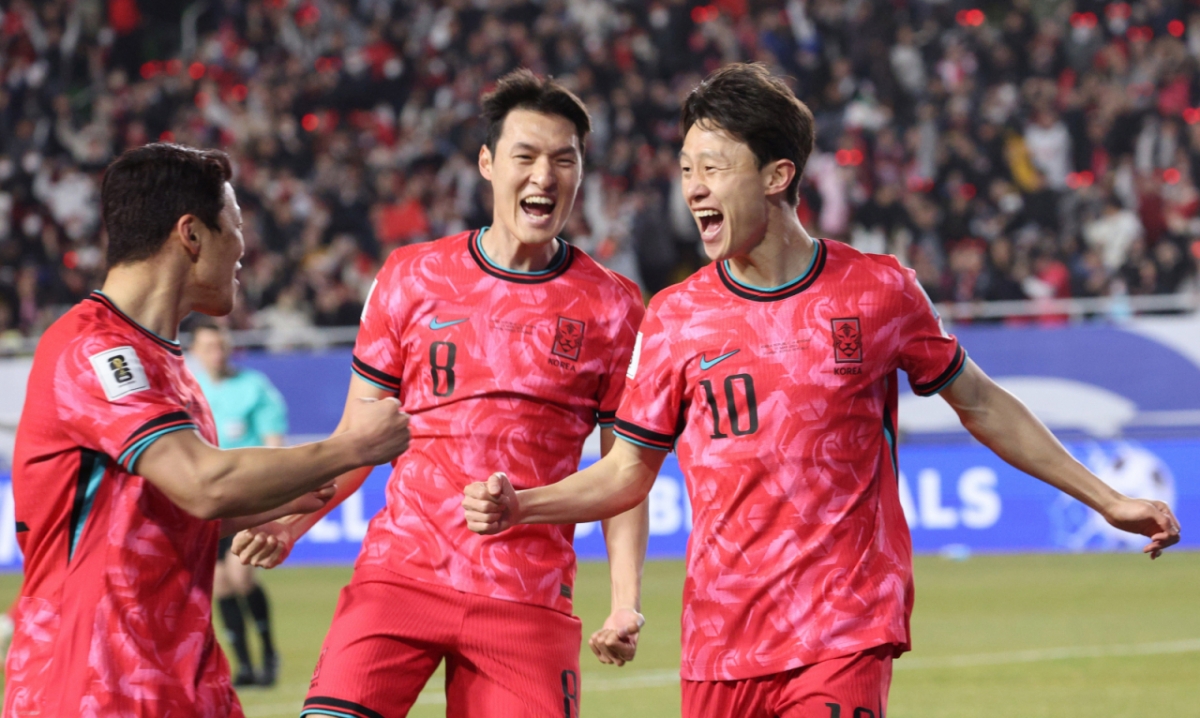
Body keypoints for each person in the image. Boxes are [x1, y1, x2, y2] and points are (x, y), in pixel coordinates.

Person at [461, 63, 1183, 718]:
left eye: (712, 167)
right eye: (687, 169)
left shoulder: (879, 290)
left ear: (776, 176)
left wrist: (1107, 498)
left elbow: (983, 402)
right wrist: (526, 505)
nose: (694, 189)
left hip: (845, 628)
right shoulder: (678, 316)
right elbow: (626, 473)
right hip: (720, 642)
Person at [232, 70, 648, 718]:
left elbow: (625, 476)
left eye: (564, 160)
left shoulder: (615, 308)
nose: (545, 176)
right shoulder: (411, 276)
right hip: (400, 576)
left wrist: (624, 601)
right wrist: (293, 524)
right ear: (487, 164)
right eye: (526, 156)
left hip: (525, 596)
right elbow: (357, 441)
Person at [5, 143, 411, 717]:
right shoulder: (93, 350)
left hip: (184, 684)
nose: (244, 248)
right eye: (235, 226)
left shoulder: (172, 369)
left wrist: (284, 494)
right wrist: (350, 447)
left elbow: (168, 513)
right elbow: (202, 482)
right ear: (191, 234)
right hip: (93, 687)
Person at [191, 321, 289, 687]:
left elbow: (273, 445)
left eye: (221, 345)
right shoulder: (190, 390)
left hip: (246, 500)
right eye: (209, 346)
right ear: (197, 351)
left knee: (241, 575)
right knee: (220, 586)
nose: (216, 353)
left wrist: (272, 495)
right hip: (210, 502)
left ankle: (269, 653)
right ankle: (245, 665)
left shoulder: (254, 388)